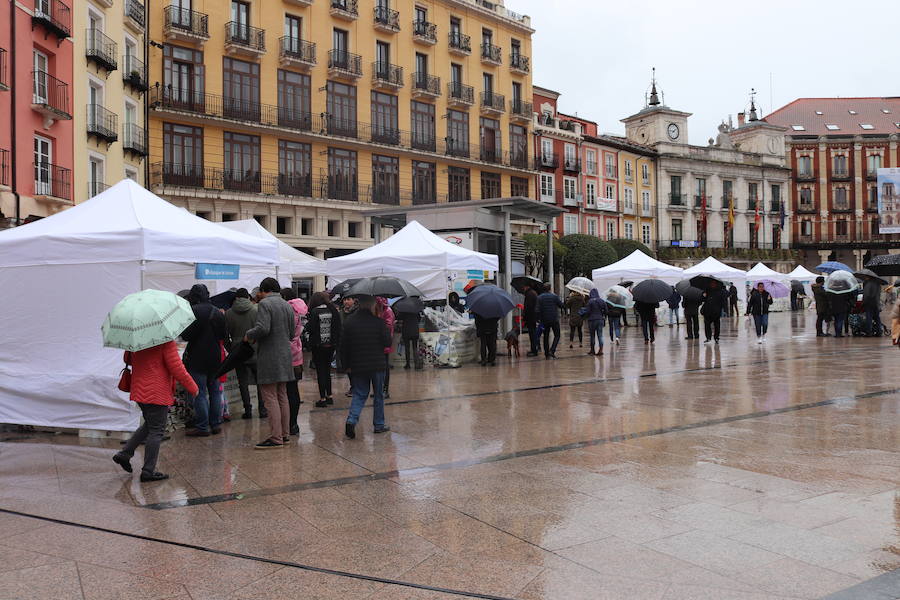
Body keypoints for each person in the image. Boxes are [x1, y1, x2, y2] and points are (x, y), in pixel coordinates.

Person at [113, 341, 199, 482]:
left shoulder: (137, 340)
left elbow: (127, 360)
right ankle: (148, 471)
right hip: (156, 392)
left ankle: (125, 453)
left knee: (150, 425)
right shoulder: (165, 342)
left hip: (139, 390)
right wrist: (193, 387)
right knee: (156, 430)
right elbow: (177, 368)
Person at [245, 277, 297, 449]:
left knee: (269, 396)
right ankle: (284, 434)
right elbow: (291, 334)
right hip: (285, 355)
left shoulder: (265, 304)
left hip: (269, 356)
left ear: (264, 290)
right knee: (282, 395)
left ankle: (275, 437)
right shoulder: (287, 305)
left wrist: (249, 334)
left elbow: (263, 328)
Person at [341, 295, 392, 439]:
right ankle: (379, 424)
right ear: (372, 306)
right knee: (378, 395)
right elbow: (387, 342)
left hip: (358, 364)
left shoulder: (350, 322)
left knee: (360, 393)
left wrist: (346, 365)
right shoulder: (379, 322)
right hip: (377, 364)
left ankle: (351, 420)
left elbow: (343, 346)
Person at [181, 284, 227, 437]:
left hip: (197, 358)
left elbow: (186, 336)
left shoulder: (193, 312)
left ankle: (202, 426)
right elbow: (222, 336)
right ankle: (216, 424)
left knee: (199, 393)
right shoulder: (218, 312)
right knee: (215, 392)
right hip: (215, 357)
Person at [225, 288, 265, 419]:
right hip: (255, 348)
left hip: (238, 350)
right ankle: (262, 409)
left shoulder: (229, 313)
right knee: (260, 380)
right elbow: (261, 330)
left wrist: (230, 348)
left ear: (236, 298)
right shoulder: (256, 310)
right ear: (248, 297)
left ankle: (247, 410)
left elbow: (225, 336)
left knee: (242, 381)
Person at [306, 292, 342, 408]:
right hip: (331, 345)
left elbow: (311, 329)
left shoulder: (315, 311)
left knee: (320, 371)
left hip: (319, 346)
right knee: (327, 371)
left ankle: (322, 398)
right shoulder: (332, 310)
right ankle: (329, 396)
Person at [283, 289, 307, 435]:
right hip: (297, 354)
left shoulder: (289, 311)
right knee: (294, 390)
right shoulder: (300, 310)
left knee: (287, 391)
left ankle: (290, 423)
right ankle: (294, 424)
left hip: (287, 354)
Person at [537, 283, 564, 359]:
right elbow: (561, 305)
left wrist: (539, 319)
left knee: (545, 336)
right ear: (550, 288)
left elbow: (537, 309)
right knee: (557, 335)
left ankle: (546, 354)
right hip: (554, 319)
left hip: (544, 320)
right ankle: (552, 350)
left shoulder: (539, 298)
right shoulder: (554, 296)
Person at [376, 297, 395, 399]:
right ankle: (379, 389)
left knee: (385, 367)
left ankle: (385, 389)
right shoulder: (378, 311)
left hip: (384, 343)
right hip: (377, 343)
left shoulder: (388, 311)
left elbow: (388, 326)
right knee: (378, 368)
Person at [585, 289, 608, 356]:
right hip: (600, 320)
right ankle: (601, 350)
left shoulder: (590, 301)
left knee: (592, 336)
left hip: (591, 320)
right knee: (600, 335)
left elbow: (588, 311)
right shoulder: (602, 301)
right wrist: (602, 314)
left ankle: (592, 351)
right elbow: (606, 311)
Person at [523, 283, 540, 356]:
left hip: (531, 317)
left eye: (524, 286)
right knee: (533, 333)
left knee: (532, 334)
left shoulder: (529, 294)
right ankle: (535, 348)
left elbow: (528, 307)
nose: (523, 288)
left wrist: (525, 316)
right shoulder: (533, 293)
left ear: (527, 286)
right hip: (533, 317)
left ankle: (534, 350)